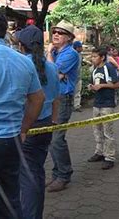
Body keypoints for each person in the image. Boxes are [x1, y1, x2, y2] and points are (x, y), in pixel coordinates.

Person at [0, 7, 45, 219]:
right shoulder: (23, 61)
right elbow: (38, 98)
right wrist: (24, 128)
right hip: (12, 140)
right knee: (10, 202)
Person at [16, 25, 60, 219]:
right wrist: (54, 120)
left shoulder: (19, 64)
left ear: (20, 45)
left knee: (27, 177)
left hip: (27, 127)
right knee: (36, 172)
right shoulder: (51, 66)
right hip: (45, 125)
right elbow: (56, 98)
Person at [46, 20, 80, 192]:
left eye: (61, 32)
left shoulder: (70, 54)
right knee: (52, 139)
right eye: (54, 32)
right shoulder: (55, 52)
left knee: (57, 139)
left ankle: (64, 175)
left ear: (69, 38)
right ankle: (57, 174)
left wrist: (49, 55)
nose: (56, 35)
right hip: (52, 98)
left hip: (63, 98)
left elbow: (53, 74)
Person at [87, 48, 119, 170]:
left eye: (95, 56)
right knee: (97, 130)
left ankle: (109, 157)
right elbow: (92, 83)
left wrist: (102, 85)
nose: (93, 59)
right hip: (96, 104)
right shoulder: (94, 70)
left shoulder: (109, 68)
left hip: (107, 104)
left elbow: (118, 84)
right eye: (92, 56)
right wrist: (91, 87)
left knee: (108, 132)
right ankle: (99, 152)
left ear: (102, 57)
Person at [73, 40, 84, 112]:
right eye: (80, 47)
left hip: (78, 76)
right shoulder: (72, 55)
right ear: (77, 48)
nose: (82, 48)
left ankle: (76, 106)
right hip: (71, 77)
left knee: (78, 92)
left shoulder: (80, 55)